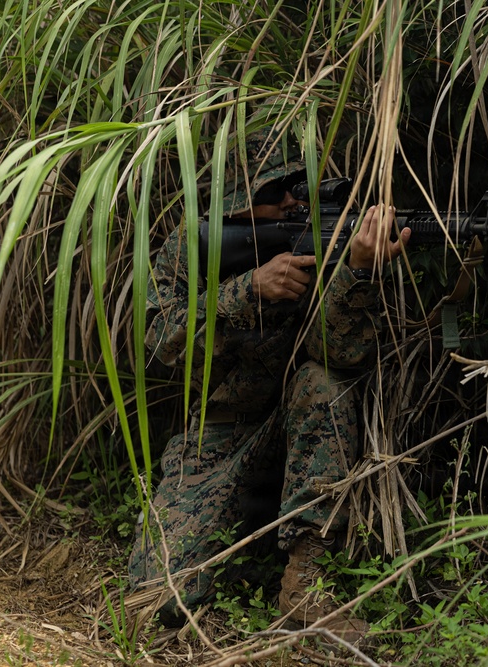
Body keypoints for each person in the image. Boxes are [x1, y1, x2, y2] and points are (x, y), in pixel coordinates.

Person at [128, 134, 409, 643]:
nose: (291, 200)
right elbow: (158, 342)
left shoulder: (320, 239)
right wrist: (248, 289)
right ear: (236, 198)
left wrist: (358, 272)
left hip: (301, 429)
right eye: (275, 189)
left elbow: (340, 355)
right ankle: (245, 552)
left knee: (323, 385)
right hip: (217, 439)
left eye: (294, 188)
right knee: (155, 605)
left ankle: (304, 585)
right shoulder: (191, 245)